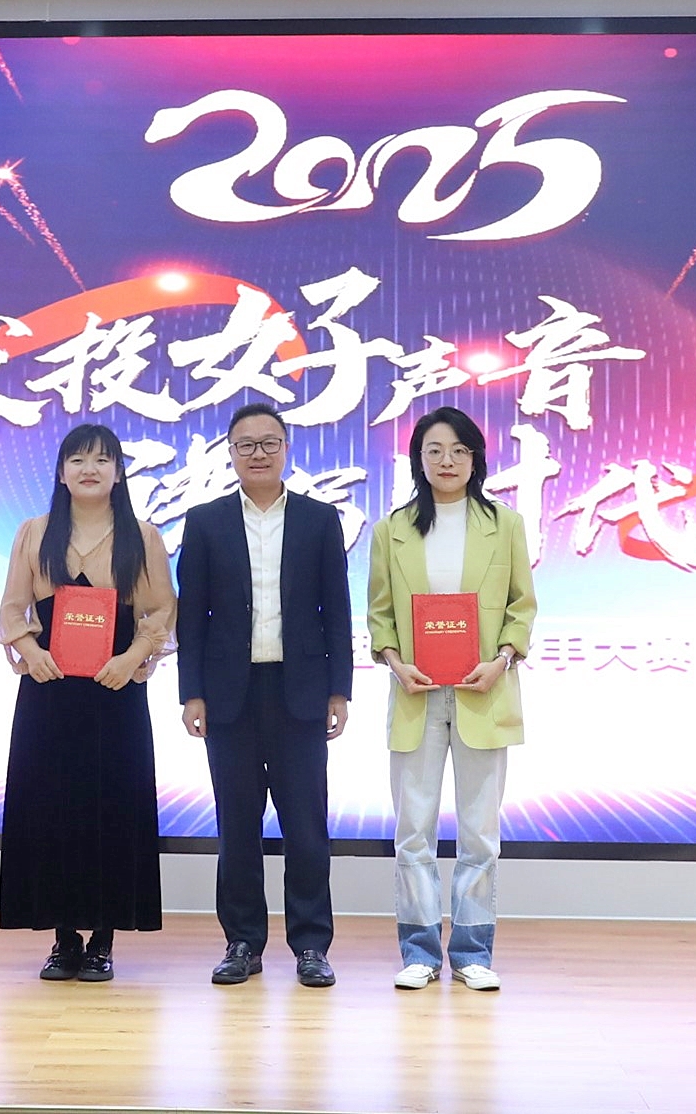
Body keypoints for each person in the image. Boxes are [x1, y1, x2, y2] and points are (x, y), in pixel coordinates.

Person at [176, 403, 353, 988]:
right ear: (230, 453)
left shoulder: (318, 519)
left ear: (286, 449)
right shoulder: (205, 521)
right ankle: (243, 942)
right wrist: (192, 692)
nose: (258, 453)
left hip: (300, 692)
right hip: (229, 695)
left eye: (269, 443)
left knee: (306, 826)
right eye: (246, 444)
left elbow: (336, 610)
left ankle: (311, 945)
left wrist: (339, 689)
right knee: (237, 827)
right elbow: (192, 616)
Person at [0, 422, 176, 983]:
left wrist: (133, 657)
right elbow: (12, 608)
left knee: (111, 808)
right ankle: (62, 938)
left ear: (118, 472)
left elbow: (161, 610)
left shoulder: (142, 536)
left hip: (114, 692)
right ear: (61, 472)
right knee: (51, 808)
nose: (89, 469)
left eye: (101, 460)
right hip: (49, 692)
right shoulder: (34, 532)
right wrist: (30, 650)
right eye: (77, 460)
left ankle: (102, 938)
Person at [367, 406, 535, 992]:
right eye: (435, 450)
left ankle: (471, 951)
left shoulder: (504, 524)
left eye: (459, 450)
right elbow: (380, 614)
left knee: (479, 834)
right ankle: (418, 951)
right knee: (413, 832)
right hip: (416, 696)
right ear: (418, 459)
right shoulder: (392, 529)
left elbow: (521, 607)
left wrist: (502, 660)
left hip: (483, 694)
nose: (447, 461)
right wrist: (395, 663)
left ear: (475, 459)